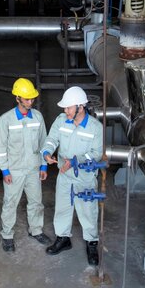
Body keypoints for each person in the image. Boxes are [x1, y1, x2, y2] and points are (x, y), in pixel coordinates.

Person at [41, 86, 104, 266]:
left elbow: (96, 153)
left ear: (80, 107)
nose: (65, 111)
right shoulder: (61, 121)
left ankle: (92, 243)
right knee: (62, 208)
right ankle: (63, 238)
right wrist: (47, 152)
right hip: (64, 175)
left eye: (68, 107)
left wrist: (76, 161)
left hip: (85, 177)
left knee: (88, 211)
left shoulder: (95, 127)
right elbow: (52, 139)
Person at [0, 78, 51, 252]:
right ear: (17, 98)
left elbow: (44, 143)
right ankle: (7, 235)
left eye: (32, 98)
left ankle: (36, 230)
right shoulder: (6, 120)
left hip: (33, 169)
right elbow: (1, 149)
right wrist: (4, 170)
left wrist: (43, 166)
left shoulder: (38, 117)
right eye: (27, 99)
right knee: (10, 203)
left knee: (36, 202)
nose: (30, 101)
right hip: (14, 170)